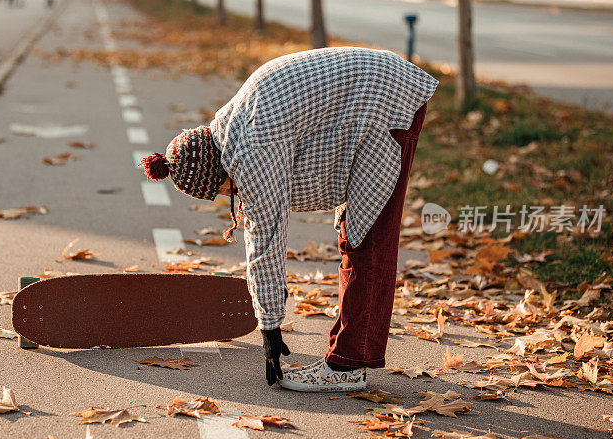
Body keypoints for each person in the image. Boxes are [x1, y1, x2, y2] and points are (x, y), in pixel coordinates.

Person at [141, 47, 438, 392]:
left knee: (366, 240)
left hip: (388, 101)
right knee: (355, 233)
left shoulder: (252, 149)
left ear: (217, 172)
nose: (231, 197)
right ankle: (350, 354)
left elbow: (265, 236)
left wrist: (269, 325)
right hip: (374, 94)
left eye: (224, 192)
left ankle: (348, 366)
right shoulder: (232, 125)